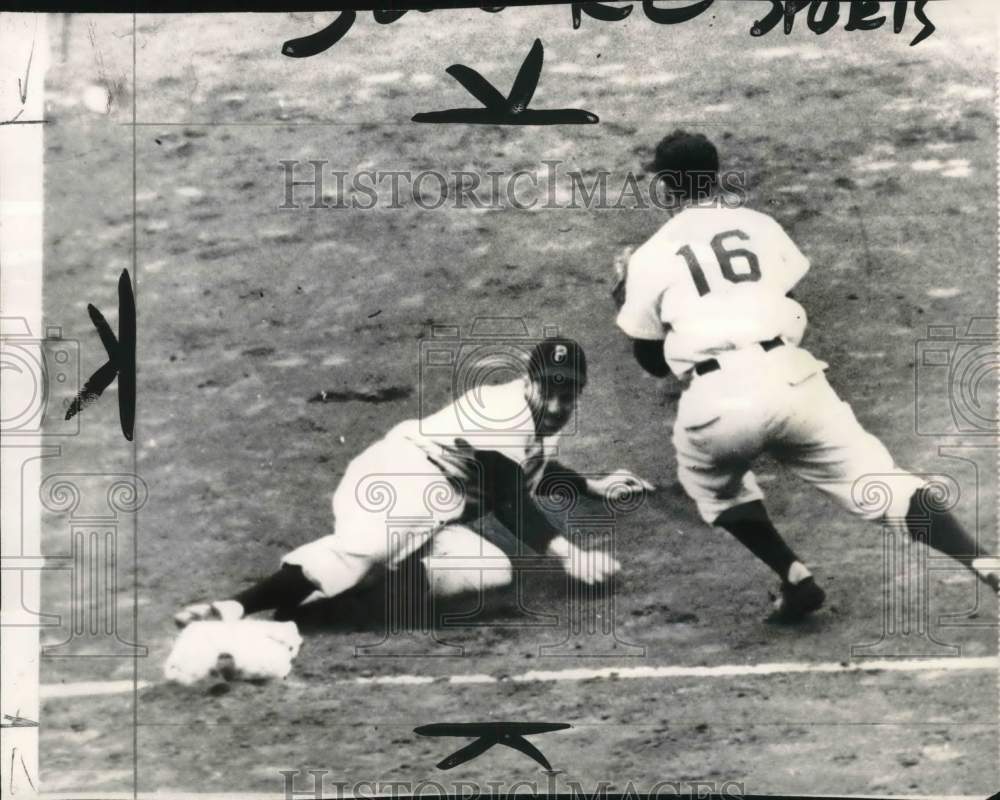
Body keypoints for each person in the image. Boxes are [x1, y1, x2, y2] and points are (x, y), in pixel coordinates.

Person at [612, 130, 998, 621]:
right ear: (714, 176)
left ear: (666, 188)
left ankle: (794, 575)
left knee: (712, 485)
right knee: (881, 484)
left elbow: (653, 364)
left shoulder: (648, 255)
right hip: (794, 380)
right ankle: (982, 560)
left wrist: (622, 296)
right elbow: (789, 302)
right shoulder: (760, 225)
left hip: (718, 403)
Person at [175, 337, 654, 627]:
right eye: (549, 392)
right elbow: (507, 493)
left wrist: (590, 484)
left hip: (440, 502)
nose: (556, 406)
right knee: (370, 549)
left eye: (568, 396)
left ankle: (332, 610)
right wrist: (570, 554)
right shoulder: (503, 408)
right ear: (528, 384)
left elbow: (534, 466)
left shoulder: (537, 427)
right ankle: (231, 609)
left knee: (486, 571)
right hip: (404, 473)